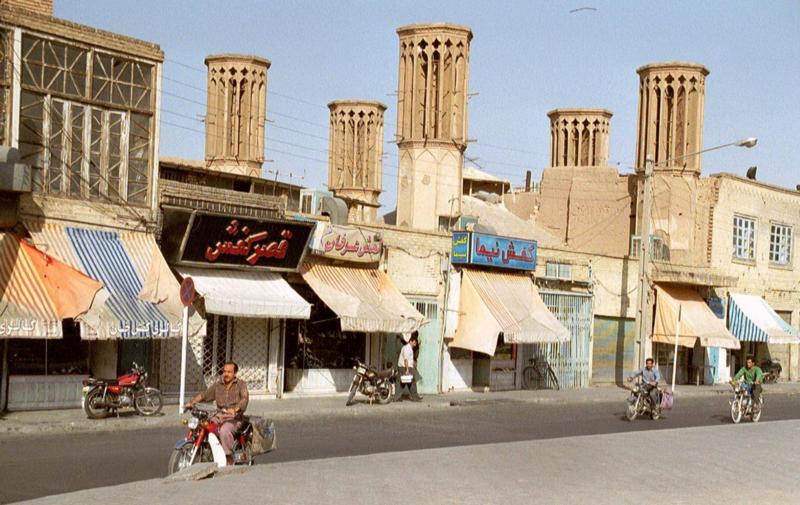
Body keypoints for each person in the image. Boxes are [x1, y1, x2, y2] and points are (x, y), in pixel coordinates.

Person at [186, 361, 249, 465]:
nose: (226, 374)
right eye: (224, 371)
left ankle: (228, 457)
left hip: (234, 418)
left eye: (229, 372)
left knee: (224, 431)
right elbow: (205, 395)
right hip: (218, 415)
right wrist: (191, 402)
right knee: (203, 425)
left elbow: (244, 398)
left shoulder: (241, 384)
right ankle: (206, 449)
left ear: (235, 373)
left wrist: (236, 409)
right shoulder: (218, 385)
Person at [394, 332, 422, 402]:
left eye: (416, 343)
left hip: (405, 367)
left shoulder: (409, 348)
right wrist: (407, 369)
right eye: (414, 343)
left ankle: (397, 397)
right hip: (405, 367)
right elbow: (406, 359)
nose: (415, 345)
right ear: (411, 341)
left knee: (403, 382)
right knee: (411, 382)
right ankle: (415, 397)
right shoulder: (407, 348)